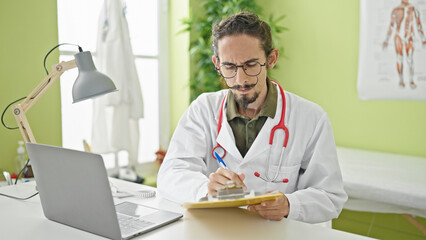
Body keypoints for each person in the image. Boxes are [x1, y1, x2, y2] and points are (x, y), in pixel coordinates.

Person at [157, 12, 347, 223]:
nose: (241, 79)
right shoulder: (203, 109)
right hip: (219, 231)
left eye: (251, 65)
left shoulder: (311, 118)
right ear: (217, 64)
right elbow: (170, 174)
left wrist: (290, 205)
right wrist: (205, 187)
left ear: (271, 59)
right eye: (229, 66)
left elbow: (330, 196)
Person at [383, 0, 426, 89]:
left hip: (409, 37)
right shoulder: (396, 10)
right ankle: (401, 80)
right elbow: (391, 26)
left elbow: (419, 25)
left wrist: (423, 39)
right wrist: (386, 40)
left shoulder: (413, 9)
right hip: (398, 37)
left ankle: (411, 80)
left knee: (410, 59)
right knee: (400, 59)